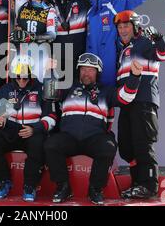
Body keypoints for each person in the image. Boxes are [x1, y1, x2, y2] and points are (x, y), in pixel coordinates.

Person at [44, 53, 143, 205]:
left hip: (95, 138)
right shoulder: (69, 87)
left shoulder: (106, 91)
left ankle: (95, 189)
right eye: (83, 69)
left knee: (108, 146)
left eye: (91, 70)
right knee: (51, 145)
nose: (86, 73)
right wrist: (49, 72)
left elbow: (125, 98)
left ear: (98, 72)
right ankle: (63, 187)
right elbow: (49, 94)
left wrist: (135, 77)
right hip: (69, 137)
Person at [0, 55, 57, 202]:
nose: (22, 81)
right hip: (10, 131)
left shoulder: (41, 89)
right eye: (18, 78)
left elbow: (51, 118)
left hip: (32, 132)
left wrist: (35, 128)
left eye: (25, 78)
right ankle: (3, 181)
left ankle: (30, 186)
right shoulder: (6, 90)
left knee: (39, 145)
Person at [114, 10, 165, 199]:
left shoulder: (145, 43)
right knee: (126, 146)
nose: (123, 30)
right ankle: (137, 182)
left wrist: (159, 37)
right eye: (120, 27)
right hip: (127, 102)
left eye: (126, 26)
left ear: (135, 26)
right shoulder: (123, 49)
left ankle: (148, 185)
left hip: (144, 101)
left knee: (143, 144)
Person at [86, 0, 165, 87]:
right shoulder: (90, 12)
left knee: (109, 95)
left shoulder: (115, 5)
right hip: (91, 62)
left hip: (109, 61)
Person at [50, 0, 122, 80]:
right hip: (56, 61)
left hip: (80, 62)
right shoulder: (49, 3)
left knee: (76, 95)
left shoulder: (83, 1)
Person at [0, 0, 57, 83]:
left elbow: (52, 35)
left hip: (40, 53)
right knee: (19, 85)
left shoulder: (50, 10)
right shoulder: (22, 3)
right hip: (22, 52)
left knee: (39, 86)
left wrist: (30, 36)